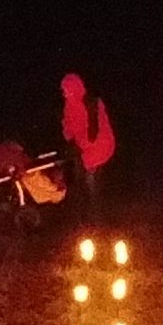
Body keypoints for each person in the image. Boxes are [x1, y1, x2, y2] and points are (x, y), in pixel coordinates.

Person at [59, 73, 116, 219]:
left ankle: (98, 219)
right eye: (63, 90)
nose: (64, 93)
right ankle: (86, 217)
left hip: (98, 149)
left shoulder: (90, 103)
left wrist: (82, 146)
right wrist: (71, 138)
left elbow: (94, 131)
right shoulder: (70, 105)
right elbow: (68, 125)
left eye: (66, 89)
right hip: (82, 151)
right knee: (81, 184)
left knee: (93, 186)